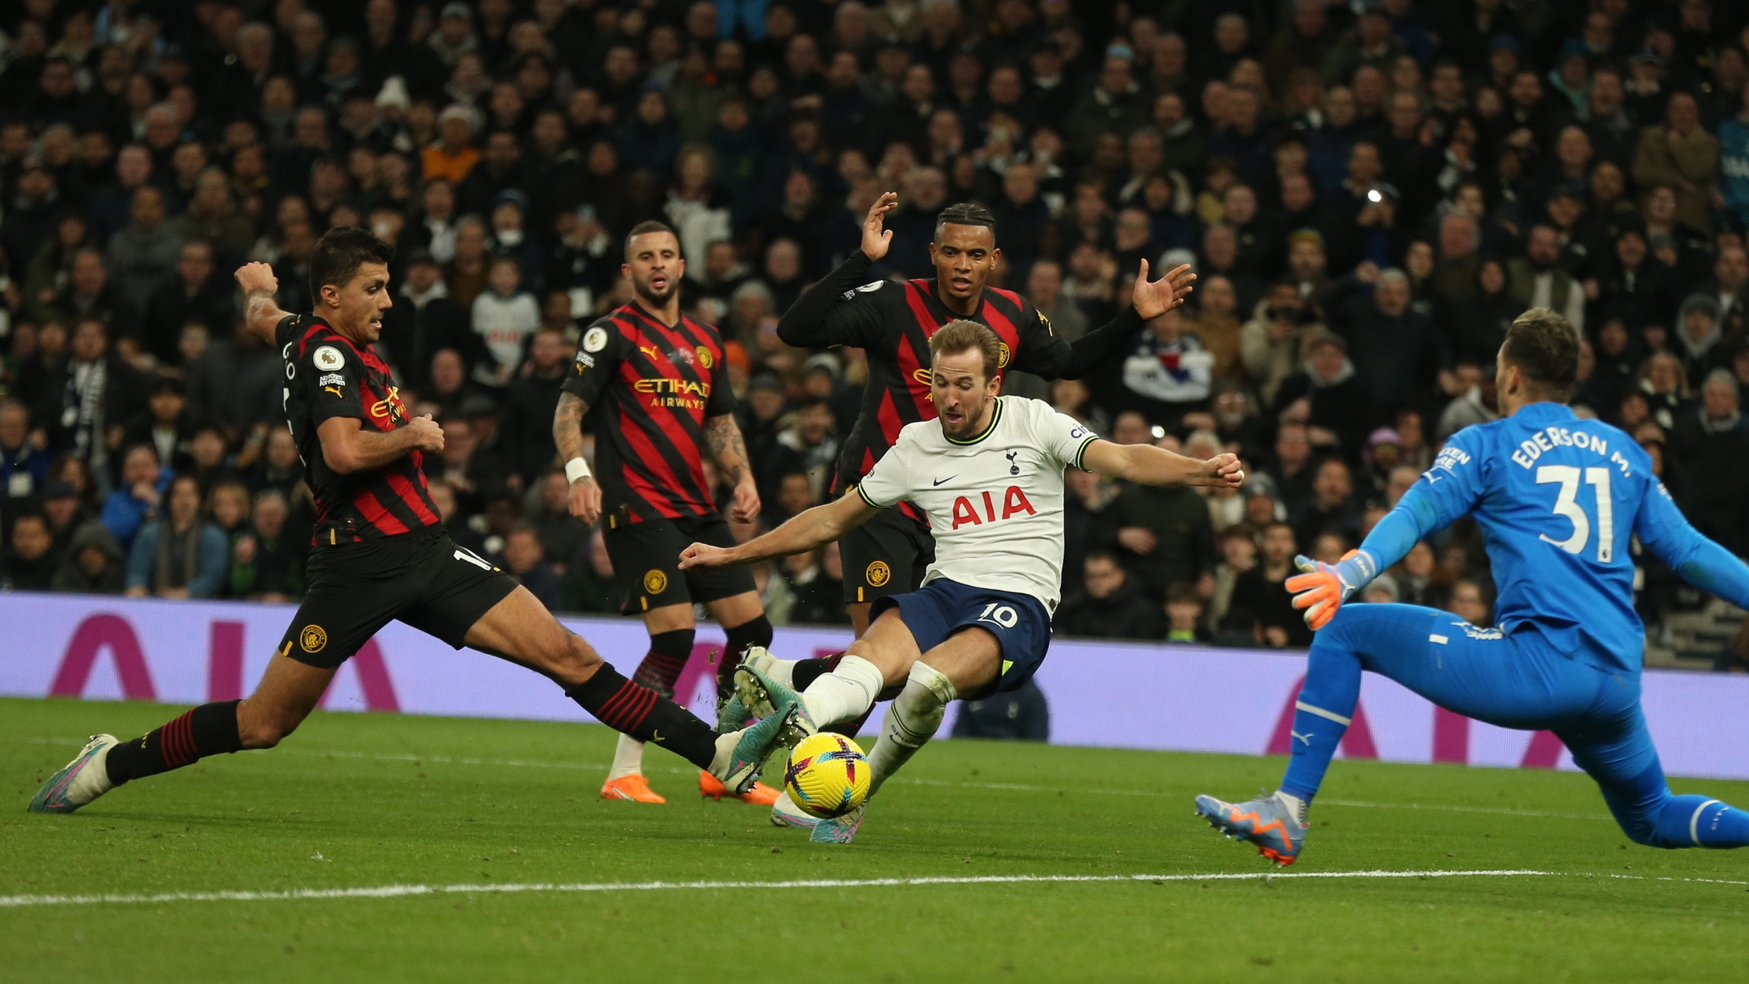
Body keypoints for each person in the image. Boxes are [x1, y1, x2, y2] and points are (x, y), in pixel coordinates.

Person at [32, 231, 801, 816]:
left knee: (569, 655)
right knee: (264, 723)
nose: (388, 302)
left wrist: (257, 288)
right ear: (333, 296)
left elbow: (264, 315)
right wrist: (413, 434)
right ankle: (110, 763)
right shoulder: (329, 357)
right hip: (358, 564)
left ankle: (719, 753)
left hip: (428, 553)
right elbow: (342, 450)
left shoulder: (302, 330)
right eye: (373, 289)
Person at [1194, 309, 1749, 913]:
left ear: (1512, 375)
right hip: (1616, 681)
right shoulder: (1623, 452)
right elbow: (1691, 552)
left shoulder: (1486, 444)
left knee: (1345, 631)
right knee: (1649, 815)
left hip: (1538, 668)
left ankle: (1288, 811)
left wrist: (1348, 573)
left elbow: (1417, 513)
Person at [680, 320, 1243, 842]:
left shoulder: (1035, 421)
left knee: (926, 683)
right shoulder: (914, 445)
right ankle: (769, 728)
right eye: (941, 383)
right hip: (945, 591)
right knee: (866, 661)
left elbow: (1123, 460)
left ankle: (843, 778)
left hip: (1019, 602)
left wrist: (1197, 471)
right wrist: (735, 554)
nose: (949, 397)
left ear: (993, 384)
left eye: (964, 385)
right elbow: (832, 518)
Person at [773, 191, 1194, 643]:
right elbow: (794, 330)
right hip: (880, 494)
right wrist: (863, 259)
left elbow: (1069, 362)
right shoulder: (893, 303)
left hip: (955, 504)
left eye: (975, 255)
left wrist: (1134, 316)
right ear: (933, 253)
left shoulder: (1012, 313)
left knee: (926, 658)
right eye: (951, 252)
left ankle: (791, 676)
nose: (962, 265)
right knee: (880, 649)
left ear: (994, 259)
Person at [554, 220, 779, 806]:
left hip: (696, 509)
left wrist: (744, 478)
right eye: (645, 256)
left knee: (753, 633)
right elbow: (568, 410)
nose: (657, 264)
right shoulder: (611, 334)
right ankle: (623, 772)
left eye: (667, 255)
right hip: (637, 507)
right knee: (676, 637)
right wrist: (579, 473)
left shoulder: (707, 340)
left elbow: (720, 422)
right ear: (628, 271)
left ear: (682, 266)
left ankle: (725, 761)